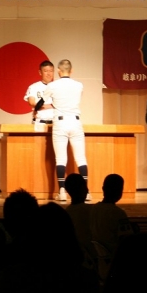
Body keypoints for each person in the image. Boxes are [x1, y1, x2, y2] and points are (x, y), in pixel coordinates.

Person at [43, 59, 89, 202]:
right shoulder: (79, 85)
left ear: (58, 71)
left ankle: (62, 191)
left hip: (60, 122)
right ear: (71, 70)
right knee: (81, 158)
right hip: (75, 121)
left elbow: (43, 102)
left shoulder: (52, 85)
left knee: (61, 158)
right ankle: (86, 192)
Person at [23, 60, 55, 124]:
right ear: (40, 72)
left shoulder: (57, 87)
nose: (49, 74)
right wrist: (53, 105)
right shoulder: (34, 87)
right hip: (39, 122)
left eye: (51, 71)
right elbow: (32, 102)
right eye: (46, 71)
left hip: (55, 122)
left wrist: (41, 106)